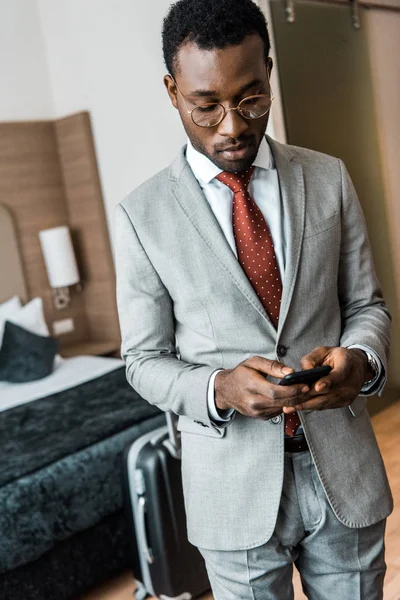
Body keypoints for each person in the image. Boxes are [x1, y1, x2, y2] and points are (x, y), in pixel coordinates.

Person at [115, 0, 393, 598]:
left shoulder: (328, 178)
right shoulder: (143, 217)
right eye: (205, 106)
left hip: (343, 470)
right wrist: (219, 389)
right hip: (231, 490)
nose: (232, 125)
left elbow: (367, 305)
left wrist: (362, 361)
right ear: (172, 91)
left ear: (268, 71)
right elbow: (142, 360)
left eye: (251, 99)